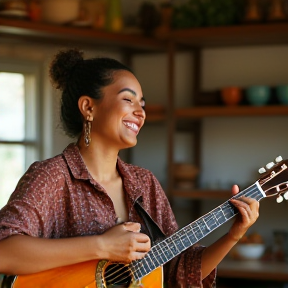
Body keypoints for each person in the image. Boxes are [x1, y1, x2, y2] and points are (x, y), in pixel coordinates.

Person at [0, 48, 259, 288]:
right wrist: (101, 246)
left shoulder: (144, 183)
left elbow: (175, 271)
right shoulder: (52, 177)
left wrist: (232, 236)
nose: (141, 113)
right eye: (129, 100)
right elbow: (4, 252)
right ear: (88, 107)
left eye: (142, 105)